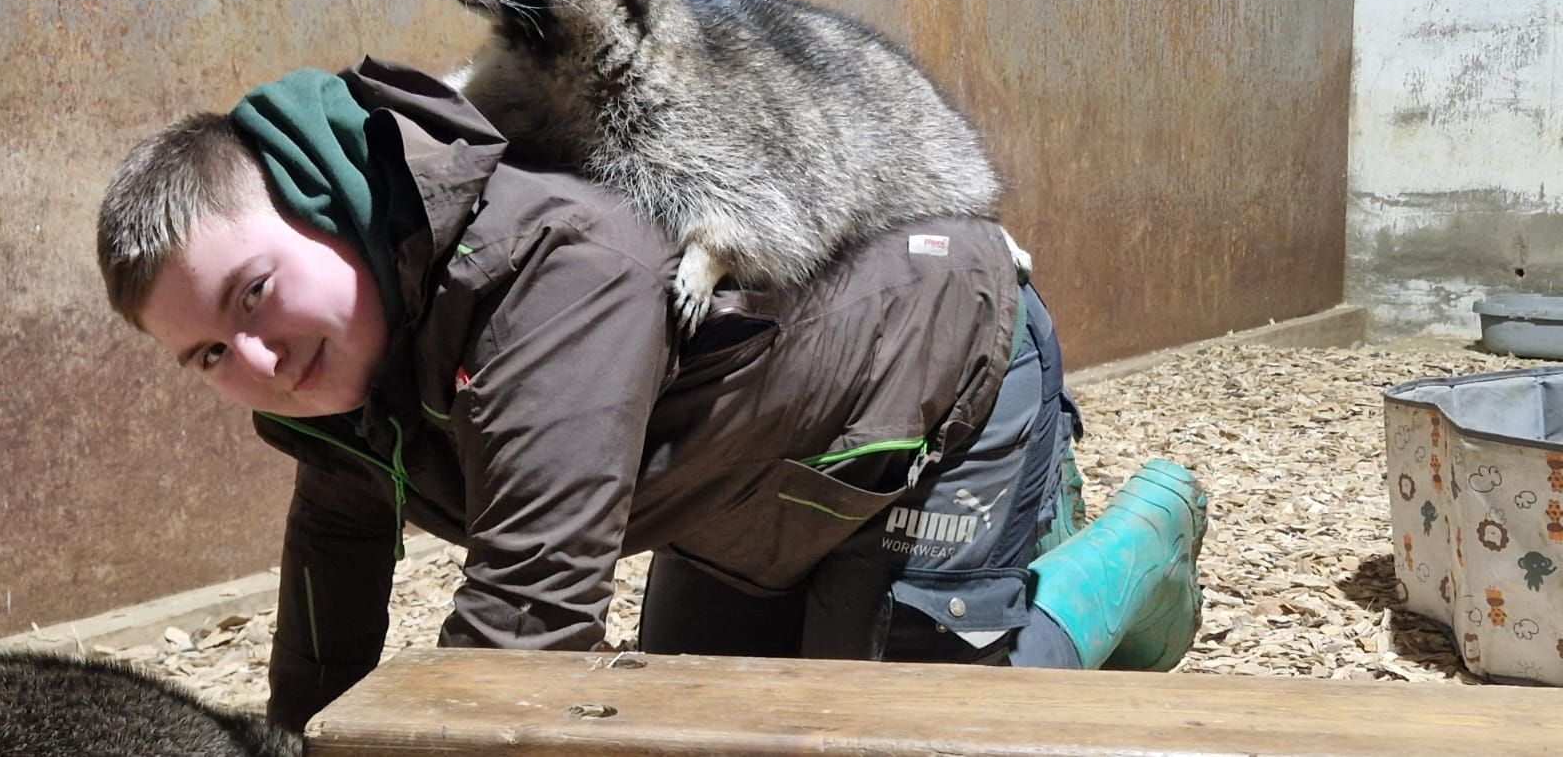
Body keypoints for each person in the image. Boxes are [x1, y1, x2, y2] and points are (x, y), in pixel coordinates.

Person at [95, 57, 1209, 733]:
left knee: (898, 729)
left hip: (931, 381)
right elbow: (336, 560)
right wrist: (294, 739)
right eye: (204, 356)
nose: (258, 363)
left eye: (254, 293)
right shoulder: (347, 354)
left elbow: (525, 625)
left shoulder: (541, 263)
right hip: (741, 468)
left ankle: (1133, 556)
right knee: (696, 730)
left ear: (328, 205)